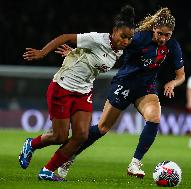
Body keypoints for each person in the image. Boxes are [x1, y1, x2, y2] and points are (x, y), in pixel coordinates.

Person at [57, 7, 185, 179]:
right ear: (153, 28)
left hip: (146, 88)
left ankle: (135, 163)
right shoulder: (139, 38)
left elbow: (181, 76)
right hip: (124, 84)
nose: (163, 38)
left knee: (154, 118)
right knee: (102, 128)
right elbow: (111, 45)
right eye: (160, 34)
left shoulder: (173, 46)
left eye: (167, 35)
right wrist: (76, 53)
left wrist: (173, 82)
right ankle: (68, 156)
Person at [18, 5, 136, 181]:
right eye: (123, 36)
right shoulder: (97, 39)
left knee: (81, 135)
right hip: (63, 86)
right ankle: (31, 144)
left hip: (84, 91)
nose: (126, 41)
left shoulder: (118, 50)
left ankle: (47, 171)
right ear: (114, 31)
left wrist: (74, 54)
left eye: (129, 38)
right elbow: (66, 37)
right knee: (60, 136)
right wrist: (42, 53)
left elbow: (92, 60)